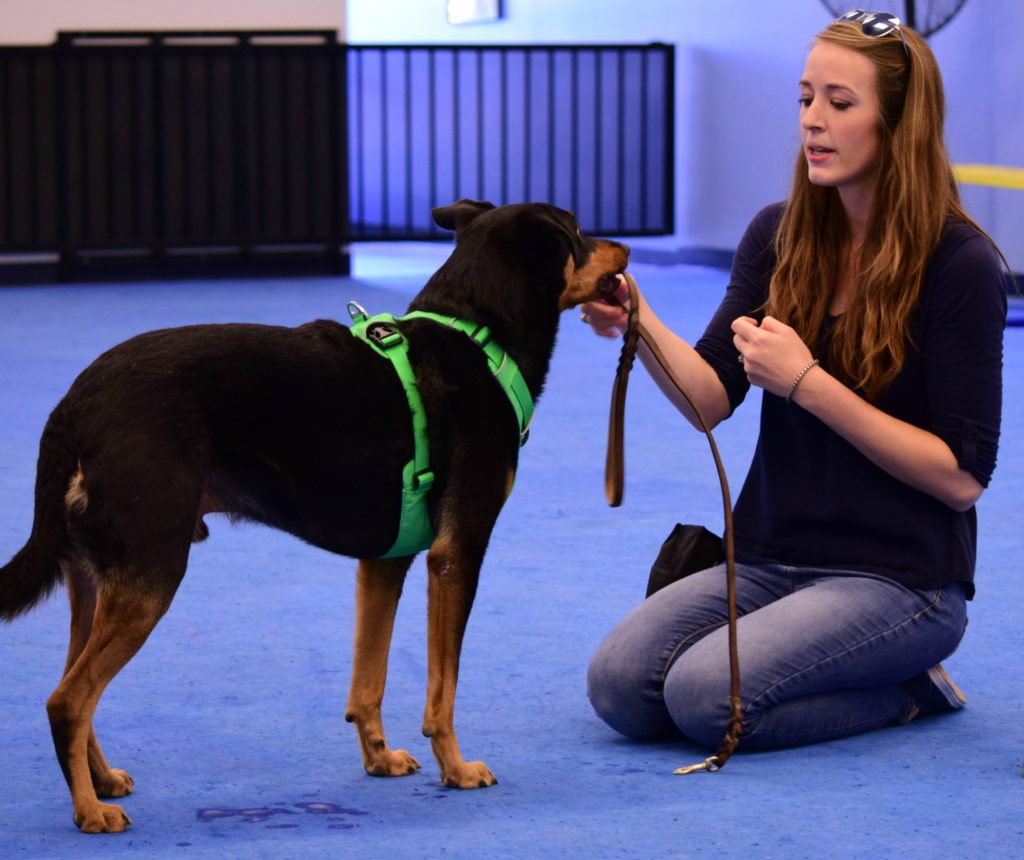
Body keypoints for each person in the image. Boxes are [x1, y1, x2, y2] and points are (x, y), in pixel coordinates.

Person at [580, 10, 1007, 751]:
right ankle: (860, 675)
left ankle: (908, 691)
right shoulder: (777, 235)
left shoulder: (961, 265)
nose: (814, 120)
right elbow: (709, 397)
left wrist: (808, 382)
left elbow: (962, 479)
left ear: (899, 123)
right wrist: (639, 317)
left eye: (841, 103)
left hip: (901, 580)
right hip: (773, 554)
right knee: (619, 686)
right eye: (806, 98)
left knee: (704, 698)